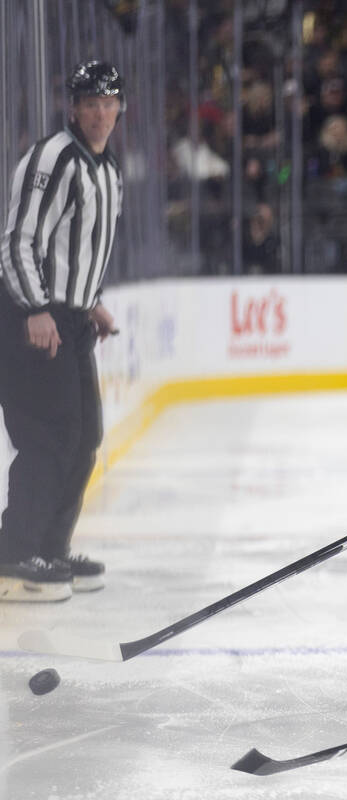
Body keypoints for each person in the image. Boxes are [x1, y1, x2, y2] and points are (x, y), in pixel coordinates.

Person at [0, 60, 124, 602]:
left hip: (69, 320)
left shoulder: (108, 170)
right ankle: (14, 555)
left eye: (108, 103)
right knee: (48, 439)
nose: (99, 113)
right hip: (32, 319)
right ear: (73, 107)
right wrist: (34, 308)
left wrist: (89, 303)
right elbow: (18, 242)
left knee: (85, 437)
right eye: (90, 103)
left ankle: (49, 545)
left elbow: (72, 249)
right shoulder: (53, 158)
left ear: (119, 109)